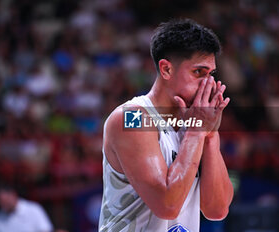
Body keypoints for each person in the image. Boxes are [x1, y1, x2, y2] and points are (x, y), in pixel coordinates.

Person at [99, 18, 233, 231]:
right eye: (198, 72)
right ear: (166, 70)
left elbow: (217, 210)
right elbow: (167, 205)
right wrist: (197, 131)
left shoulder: (195, 123)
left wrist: (209, 136)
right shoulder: (132, 117)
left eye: (211, 74)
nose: (208, 84)